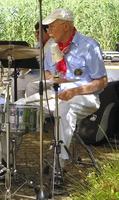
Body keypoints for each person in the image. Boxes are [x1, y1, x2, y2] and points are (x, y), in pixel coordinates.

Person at [39, 8, 107, 167]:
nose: (48, 32)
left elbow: (102, 81)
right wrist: (49, 77)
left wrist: (75, 91)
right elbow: (47, 71)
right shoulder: (51, 47)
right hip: (56, 95)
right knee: (19, 106)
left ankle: (58, 166)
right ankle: (6, 163)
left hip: (85, 96)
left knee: (64, 111)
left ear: (66, 26)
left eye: (52, 27)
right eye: (47, 28)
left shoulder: (89, 46)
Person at [12, 22, 52, 101]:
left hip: (47, 73)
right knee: (16, 83)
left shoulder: (53, 44)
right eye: (35, 32)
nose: (36, 35)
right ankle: (19, 110)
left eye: (38, 32)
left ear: (47, 31)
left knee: (31, 87)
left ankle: (35, 112)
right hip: (36, 72)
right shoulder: (38, 45)